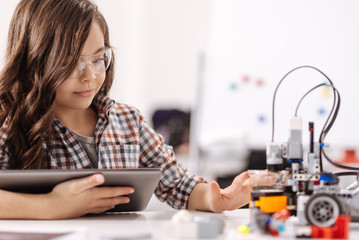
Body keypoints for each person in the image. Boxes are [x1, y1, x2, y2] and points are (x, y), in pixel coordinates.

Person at [0, 0, 261, 219]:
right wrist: (53, 206)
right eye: (70, 63)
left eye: (98, 58)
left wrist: (218, 200)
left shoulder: (126, 121)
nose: (90, 75)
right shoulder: (10, 122)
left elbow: (179, 185)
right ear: (33, 60)